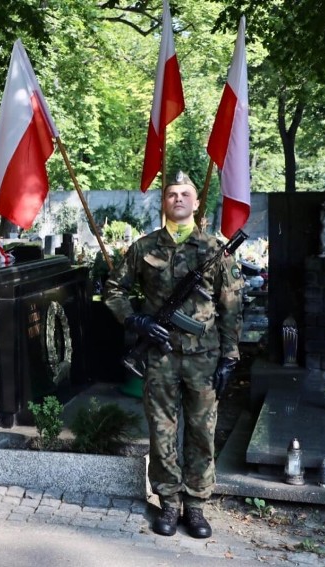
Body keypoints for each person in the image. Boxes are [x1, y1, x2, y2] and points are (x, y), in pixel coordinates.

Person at [103, 171, 243, 539]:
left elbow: (231, 307)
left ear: (197, 204)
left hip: (204, 358)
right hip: (161, 357)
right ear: (164, 203)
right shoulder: (144, 247)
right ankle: (169, 503)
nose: (178, 198)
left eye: (185, 194)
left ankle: (195, 506)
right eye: (171, 194)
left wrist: (230, 357)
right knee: (162, 432)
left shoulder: (215, 251)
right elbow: (113, 289)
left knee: (201, 431)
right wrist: (136, 320)